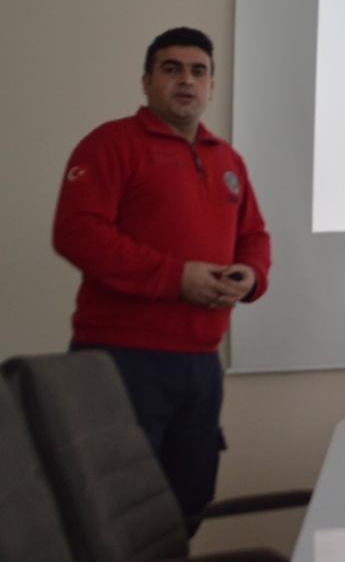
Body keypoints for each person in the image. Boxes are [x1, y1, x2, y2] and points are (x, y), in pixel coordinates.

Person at [52, 27, 271, 528]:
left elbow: (254, 235)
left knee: (185, 510)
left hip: (201, 366)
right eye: (171, 69)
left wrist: (251, 276)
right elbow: (77, 234)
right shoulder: (110, 144)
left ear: (211, 85)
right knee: (113, 518)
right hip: (120, 360)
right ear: (147, 81)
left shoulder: (228, 159)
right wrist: (175, 278)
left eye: (198, 71)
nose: (186, 81)